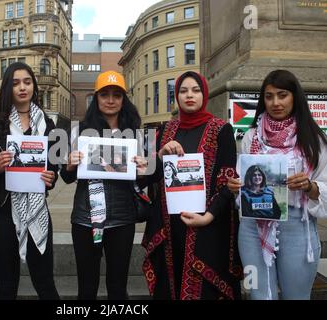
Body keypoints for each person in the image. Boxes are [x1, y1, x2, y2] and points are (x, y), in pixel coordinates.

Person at [142, 71, 243, 300]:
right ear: (176, 96)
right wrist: (160, 154)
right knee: (170, 284)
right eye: (183, 91)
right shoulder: (165, 131)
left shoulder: (220, 129)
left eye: (196, 90)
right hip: (170, 228)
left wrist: (208, 216)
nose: (190, 95)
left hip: (207, 226)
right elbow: (148, 178)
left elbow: (227, 181)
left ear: (204, 94)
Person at [227, 69, 327, 300]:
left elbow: (323, 184)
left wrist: (309, 186)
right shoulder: (250, 137)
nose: (275, 102)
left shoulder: (314, 140)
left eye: (282, 95)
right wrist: (236, 188)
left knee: (297, 296)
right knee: (258, 295)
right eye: (269, 96)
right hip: (253, 228)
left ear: (295, 97)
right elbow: (242, 184)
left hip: (297, 227)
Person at [0, 62, 59, 300]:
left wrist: (51, 178)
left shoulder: (48, 126)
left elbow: (53, 171)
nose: (22, 87)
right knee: (7, 286)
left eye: (27, 82)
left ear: (34, 87)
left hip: (37, 212)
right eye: (16, 82)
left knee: (46, 284)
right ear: (7, 88)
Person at [60, 70, 148, 300]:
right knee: (86, 288)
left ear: (123, 99)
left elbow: (146, 178)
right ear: (96, 98)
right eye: (105, 94)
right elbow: (66, 177)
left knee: (118, 288)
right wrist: (69, 165)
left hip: (122, 219)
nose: (110, 100)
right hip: (85, 218)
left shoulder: (136, 135)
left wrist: (143, 170)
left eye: (116, 95)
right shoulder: (78, 132)